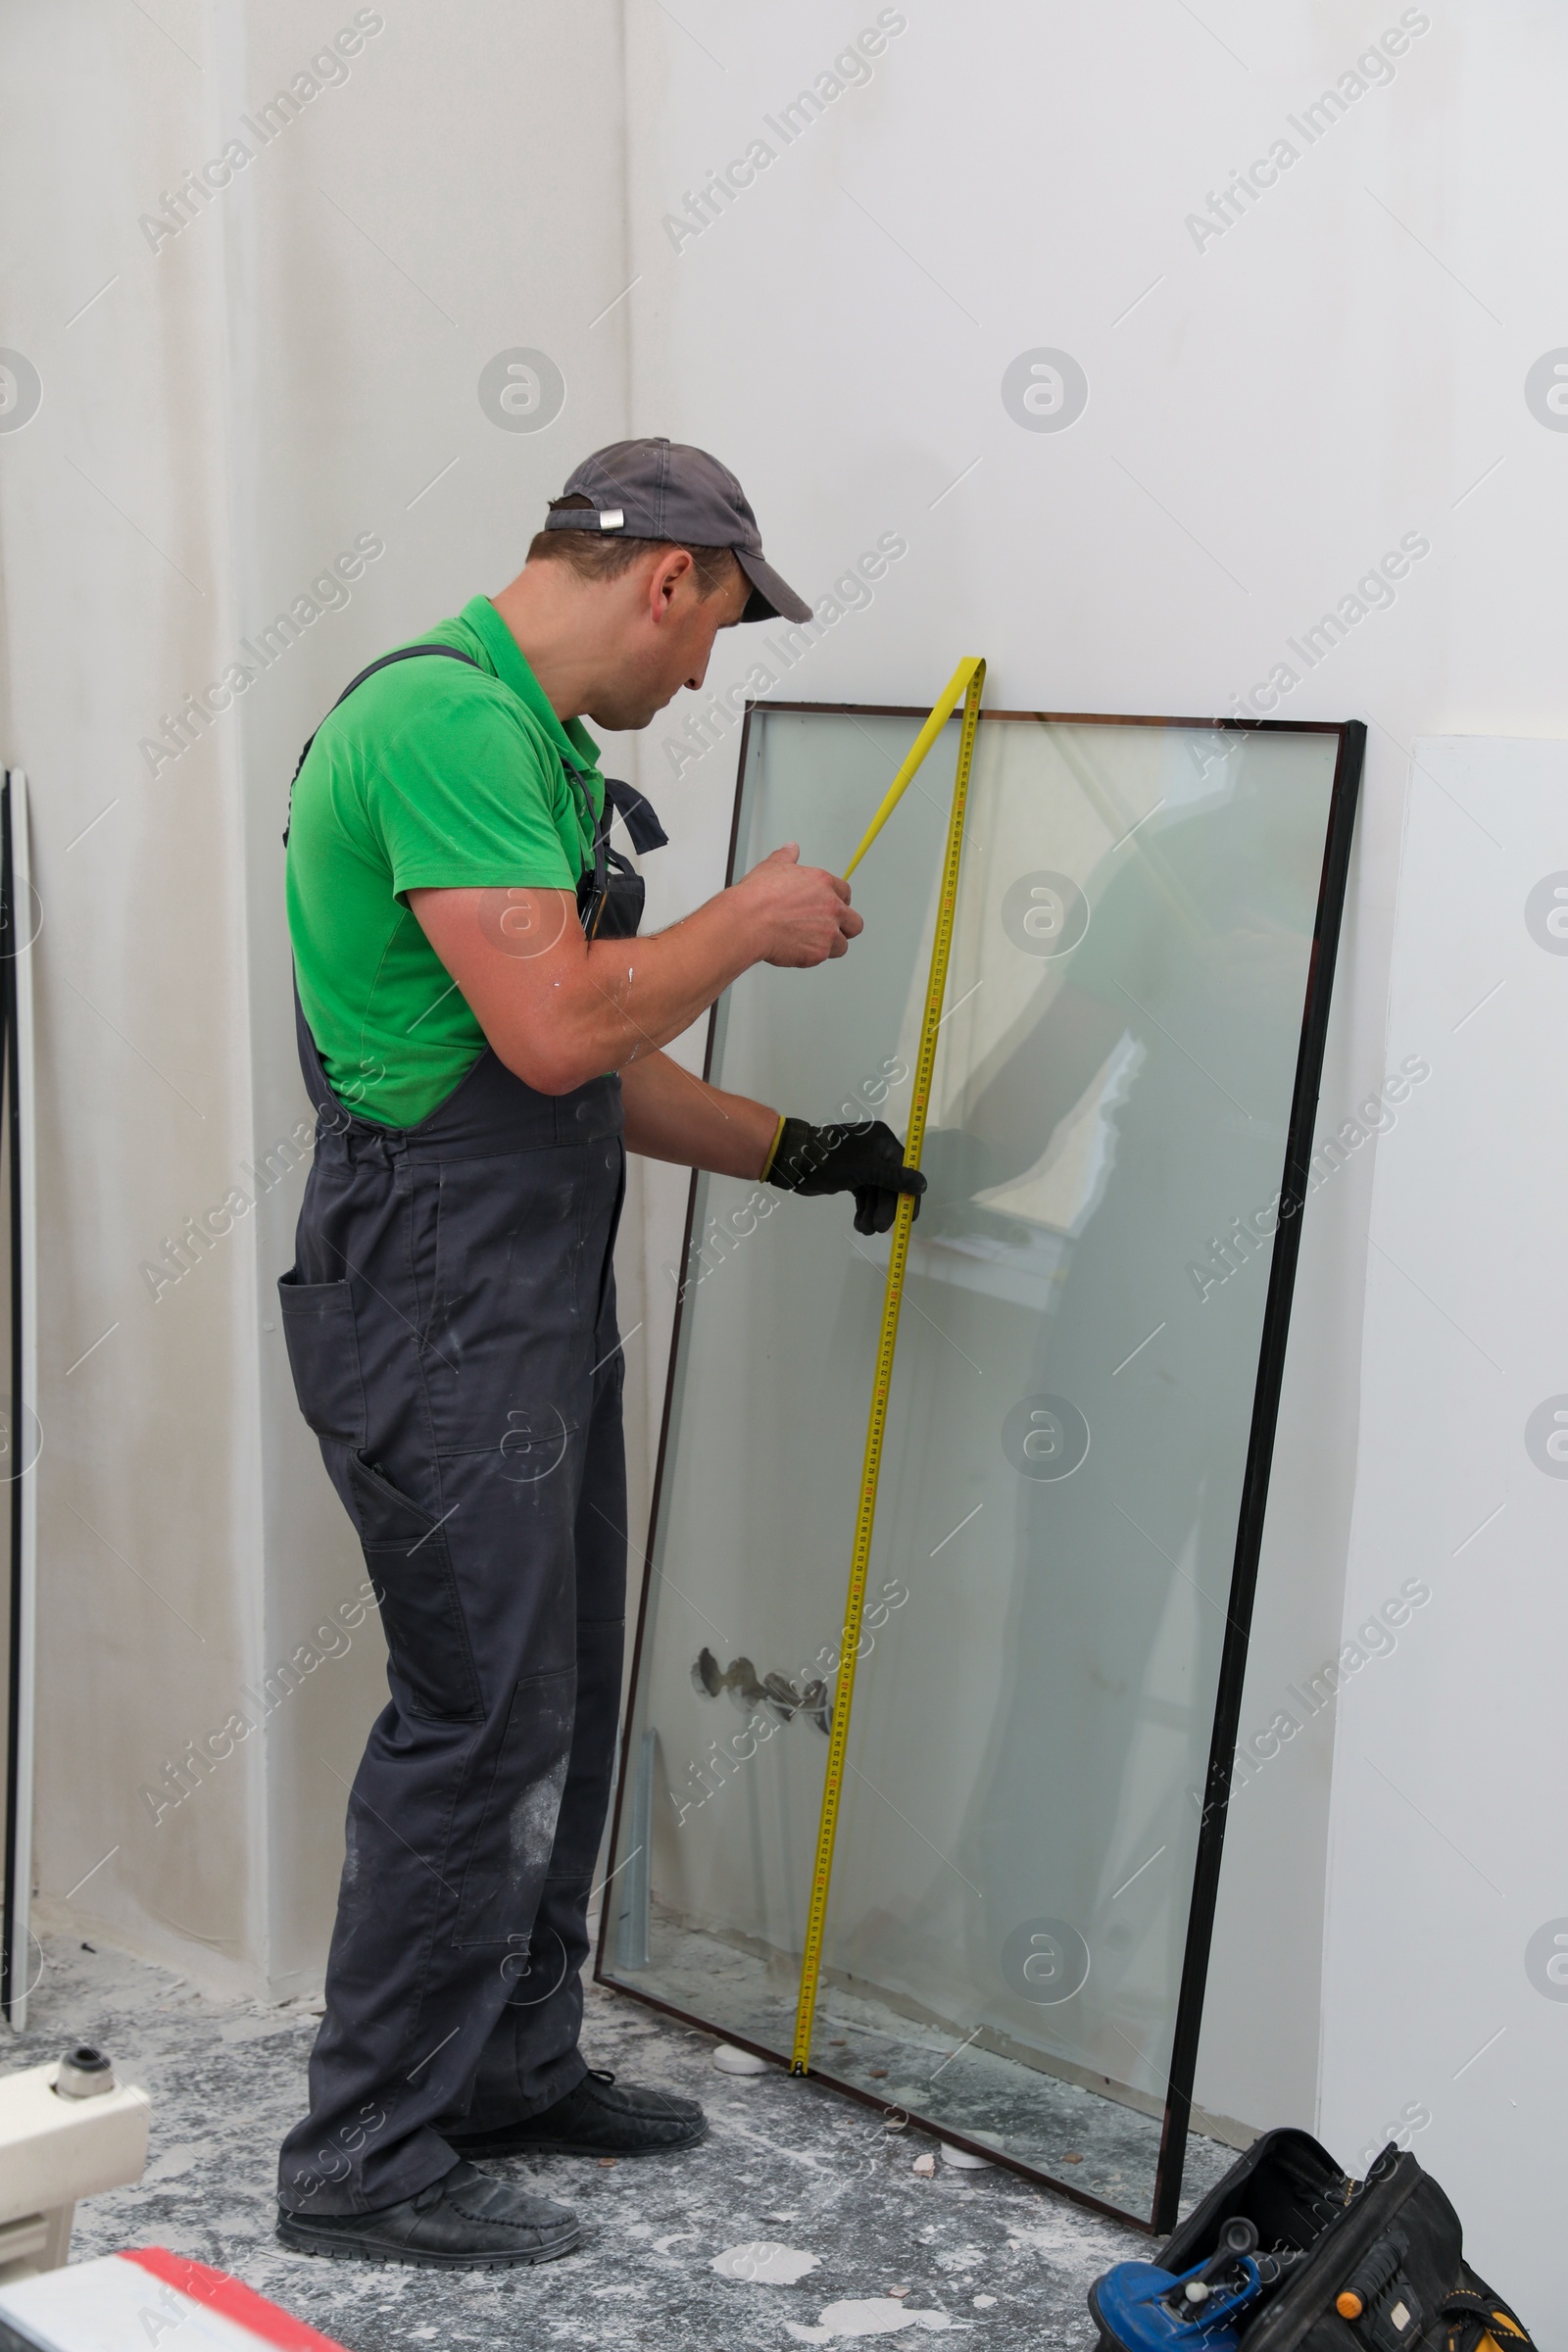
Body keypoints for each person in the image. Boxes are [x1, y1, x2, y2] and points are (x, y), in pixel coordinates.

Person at [272, 438, 925, 2267]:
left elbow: (595, 1070)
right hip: (430, 1289)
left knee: (558, 1684)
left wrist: (806, 1152)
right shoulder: (442, 726)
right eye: (715, 626)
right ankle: (359, 2154)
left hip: (529, 1285)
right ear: (666, 581)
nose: (703, 675)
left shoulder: (542, 753)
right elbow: (557, 1031)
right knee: (474, 1709)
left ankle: (506, 2063)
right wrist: (747, 923)